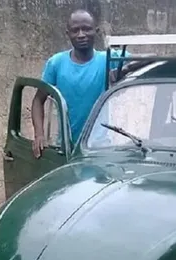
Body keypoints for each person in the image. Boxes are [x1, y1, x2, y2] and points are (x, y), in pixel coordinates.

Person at [30, 9, 130, 158]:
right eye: (75, 30)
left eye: (87, 29)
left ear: (96, 31)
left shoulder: (109, 59)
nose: (81, 35)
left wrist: (125, 69)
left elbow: (146, 61)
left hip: (100, 148)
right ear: (68, 34)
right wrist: (39, 134)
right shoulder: (56, 63)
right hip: (65, 148)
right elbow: (38, 100)